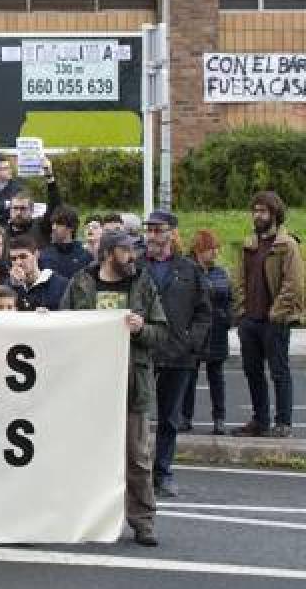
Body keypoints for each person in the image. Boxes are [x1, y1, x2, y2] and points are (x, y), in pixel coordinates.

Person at [61, 230, 168, 548]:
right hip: (90, 383)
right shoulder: (81, 282)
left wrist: (141, 329)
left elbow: (162, 333)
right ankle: (84, 518)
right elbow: (62, 324)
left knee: (137, 456)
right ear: (108, 253)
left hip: (131, 383)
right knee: (86, 454)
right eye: (126, 251)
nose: (133, 256)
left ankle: (143, 521)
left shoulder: (143, 283)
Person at [140, 210, 212, 499]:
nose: (153, 236)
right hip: (142, 350)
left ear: (172, 233)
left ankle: (163, 472)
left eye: (158, 230)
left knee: (170, 418)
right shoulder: (136, 266)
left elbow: (204, 312)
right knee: (137, 416)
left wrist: (191, 342)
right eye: (150, 230)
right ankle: (137, 471)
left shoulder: (189, 269)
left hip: (178, 353)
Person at [232, 191, 304, 438]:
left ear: (275, 214)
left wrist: (276, 314)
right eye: (255, 211)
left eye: (263, 211)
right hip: (249, 321)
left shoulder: (288, 245)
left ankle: (283, 422)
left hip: (275, 321)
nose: (257, 215)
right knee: (252, 372)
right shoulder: (249, 244)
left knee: (279, 372)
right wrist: (241, 313)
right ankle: (260, 421)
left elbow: (294, 284)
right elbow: (239, 279)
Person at [183, 229, 232, 436]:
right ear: (199, 249)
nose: (215, 252)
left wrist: (228, 318)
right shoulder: (188, 270)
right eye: (211, 248)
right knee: (189, 375)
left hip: (218, 330)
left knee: (216, 376)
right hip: (196, 329)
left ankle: (219, 419)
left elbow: (230, 297)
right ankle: (185, 416)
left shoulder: (220, 272)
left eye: (216, 248)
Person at [8, 236, 69, 312]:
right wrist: (17, 287)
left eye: (23, 257)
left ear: (36, 255)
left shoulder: (60, 284)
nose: (18, 263)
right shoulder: (8, 286)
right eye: (13, 259)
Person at [38, 205, 93, 280]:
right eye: (53, 223)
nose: (54, 227)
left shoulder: (84, 256)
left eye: (59, 224)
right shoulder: (43, 256)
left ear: (71, 227)